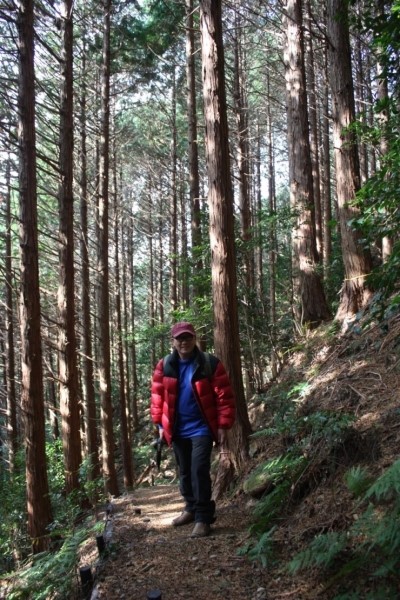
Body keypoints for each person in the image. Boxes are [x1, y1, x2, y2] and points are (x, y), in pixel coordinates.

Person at [150, 322, 236, 537]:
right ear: (173, 341)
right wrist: (160, 425)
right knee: (185, 471)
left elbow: (224, 396)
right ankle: (190, 507)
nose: (184, 342)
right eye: (179, 338)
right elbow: (157, 397)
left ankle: (203, 518)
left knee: (199, 470)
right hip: (177, 429)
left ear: (194, 338)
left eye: (187, 337)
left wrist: (224, 425)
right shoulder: (165, 365)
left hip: (202, 428)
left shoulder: (209, 363)